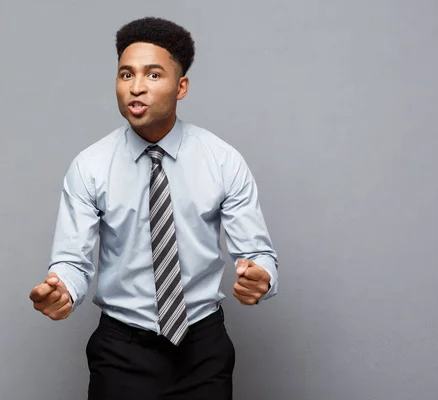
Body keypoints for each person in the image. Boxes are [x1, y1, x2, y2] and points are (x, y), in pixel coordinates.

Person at [29, 16, 279, 400]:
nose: (137, 88)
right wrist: (62, 289)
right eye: (126, 75)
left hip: (202, 349)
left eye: (153, 75)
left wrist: (261, 277)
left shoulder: (222, 160)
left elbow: (257, 254)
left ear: (181, 87)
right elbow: (72, 262)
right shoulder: (91, 166)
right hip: (121, 351)